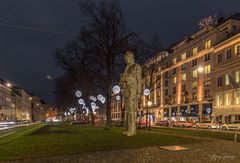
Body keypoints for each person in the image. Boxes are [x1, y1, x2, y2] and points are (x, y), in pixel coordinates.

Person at [120, 51, 142, 136]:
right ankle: (129, 129)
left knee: (132, 110)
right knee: (128, 110)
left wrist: (139, 92)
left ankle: (133, 130)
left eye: (127, 58)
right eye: (125, 59)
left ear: (131, 57)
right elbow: (122, 80)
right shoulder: (126, 68)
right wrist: (122, 82)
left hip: (133, 89)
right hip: (126, 89)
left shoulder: (136, 66)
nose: (126, 60)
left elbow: (139, 80)